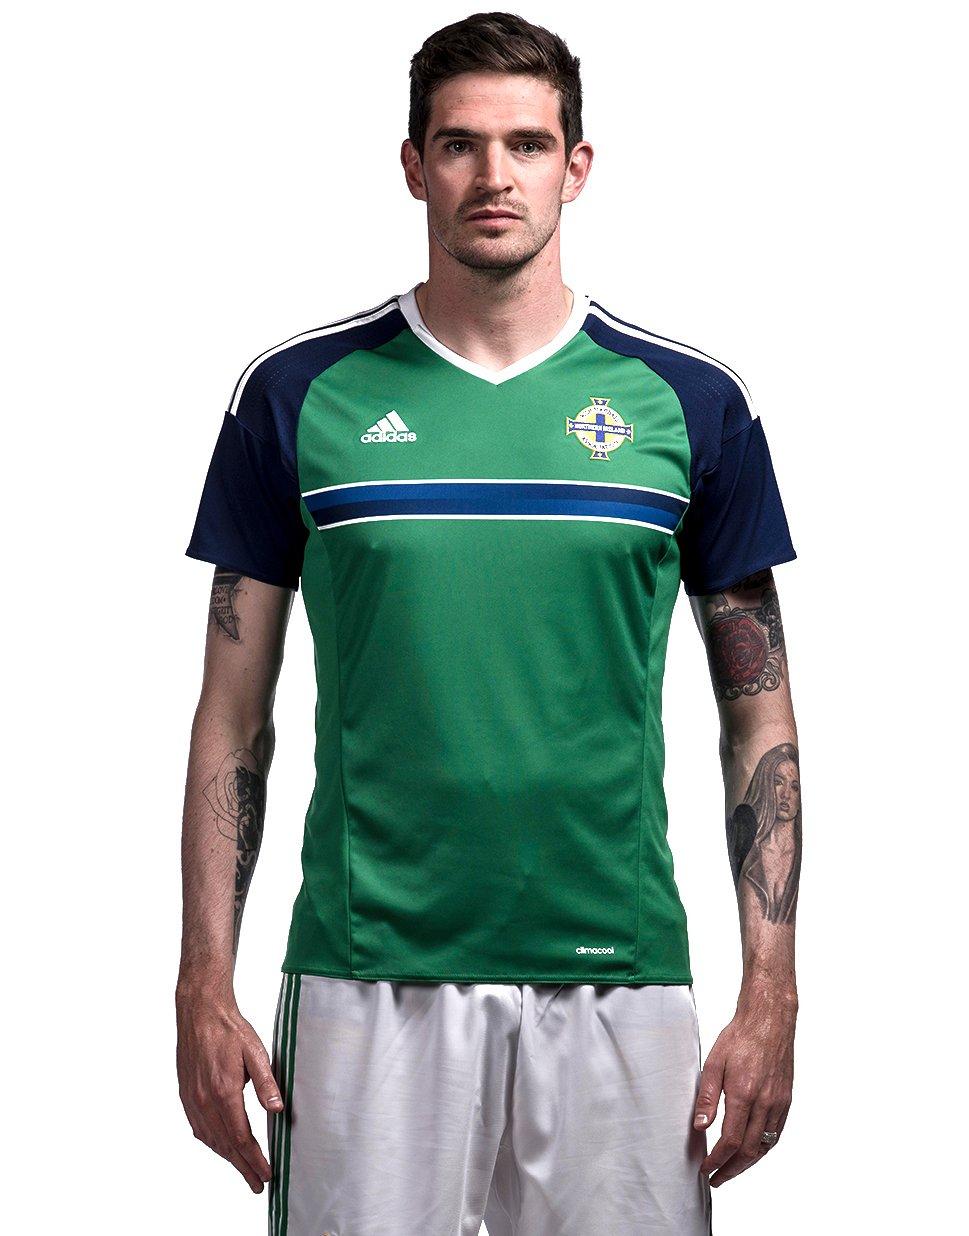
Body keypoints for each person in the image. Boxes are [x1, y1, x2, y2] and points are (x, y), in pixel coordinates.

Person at [176, 12, 801, 1235]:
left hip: (621, 975)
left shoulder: (692, 404)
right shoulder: (296, 397)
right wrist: (205, 976)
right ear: (414, 165)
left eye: (528, 144)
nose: (494, 175)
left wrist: (771, 988)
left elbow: (760, 720)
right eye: (461, 144)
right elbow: (231, 720)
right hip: (365, 976)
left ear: (578, 165)